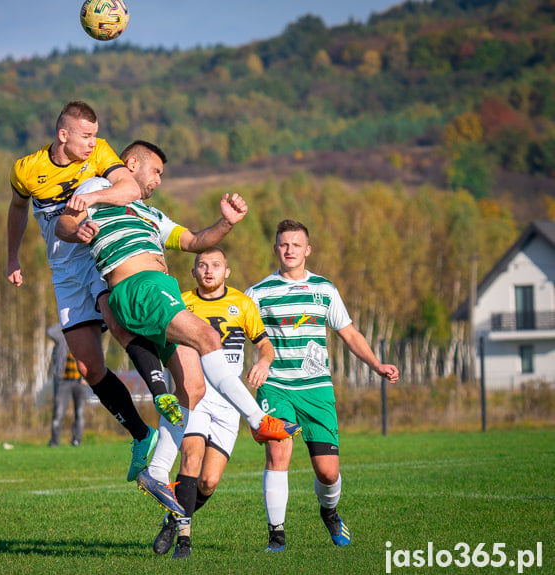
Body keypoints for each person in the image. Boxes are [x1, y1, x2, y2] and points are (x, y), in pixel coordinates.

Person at [56, 140, 300, 522]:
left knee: (193, 388)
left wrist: (226, 224)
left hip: (161, 290)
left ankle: (156, 472)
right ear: (132, 164)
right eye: (156, 172)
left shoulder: (149, 213)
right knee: (208, 337)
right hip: (139, 287)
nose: (157, 181)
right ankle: (258, 422)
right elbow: (65, 222)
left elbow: (194, 241)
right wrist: (79, 227)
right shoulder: (97, 191)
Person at [8, 100, 173, 484]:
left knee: (115, 318)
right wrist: (12, 258)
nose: (93, 142)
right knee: (88, 366)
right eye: (85, 135)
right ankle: (140, 434)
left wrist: (94, 199)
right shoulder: (26, 169)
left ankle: (160, 390)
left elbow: (130, 187)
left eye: (95, 135)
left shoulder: (98, 153)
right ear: (63, 135)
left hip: (93, 251)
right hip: (61, 267)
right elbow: (17, 209)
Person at [245, 219, 400, 552]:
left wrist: (376, 365)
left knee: (328, 474)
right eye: (284, 244)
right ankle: (276, 534)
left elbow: (350, 334)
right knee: (277, 451)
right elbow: (237, 334)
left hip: (317, 391)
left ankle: (329, 512)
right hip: (276, 387)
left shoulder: (325, 290)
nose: (289, 250)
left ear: (307, 250)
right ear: (275, 249)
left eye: (296, 245)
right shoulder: (257, 293)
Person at [148, 247, 279, 559]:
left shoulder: (242, 304)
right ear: (193, 272)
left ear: (227, 272)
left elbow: (265, 346)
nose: (209, 270)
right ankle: (184, 541)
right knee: (190, 463)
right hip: (194, 398)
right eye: (202, 265)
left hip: (227, 406)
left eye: (216, 265)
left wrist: (263, 363)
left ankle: (172, 518)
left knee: (208, 481)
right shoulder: (180, 302)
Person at [46, 323, 88, 447]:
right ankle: (54, 441)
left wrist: (87, 377)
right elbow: (50, 331)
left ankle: (76, 440)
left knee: (79, 413)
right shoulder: (62, 338)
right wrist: (64, 321)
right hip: (62, 381)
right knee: (58, 412)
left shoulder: (85, 339)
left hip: (79, 382)